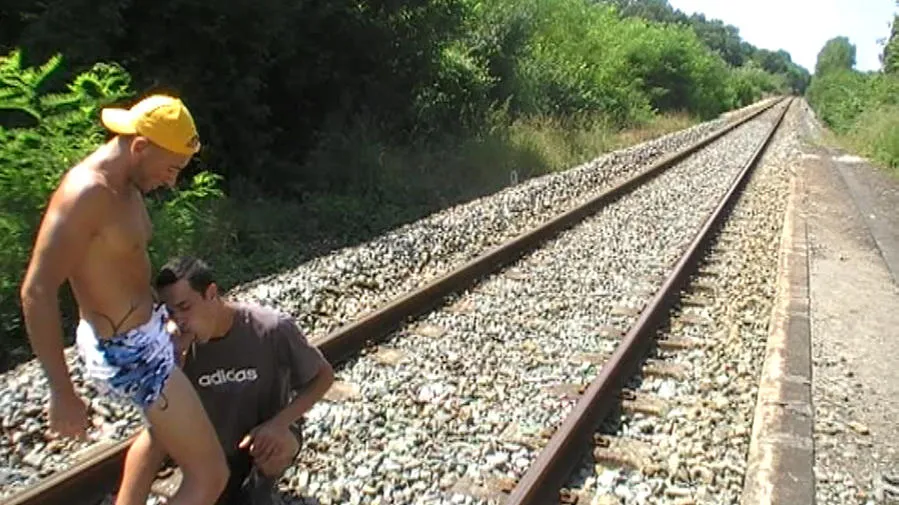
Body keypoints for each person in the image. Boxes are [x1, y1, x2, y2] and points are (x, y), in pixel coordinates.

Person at [19, 95, 230, 505]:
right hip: (129, 353)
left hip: (146, 334)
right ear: (140, 146)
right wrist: (61, 392)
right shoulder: (86, 194)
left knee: (159, 436)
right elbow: (37, 291)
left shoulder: (126, 184)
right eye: (171, 168)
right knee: (210, 476)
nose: (172, 182)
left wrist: (168, 320)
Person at [124, 256, 334, 505]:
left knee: (280, 446)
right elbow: (158, 423)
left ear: (211, 293)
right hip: (210, 451)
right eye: (170, 312)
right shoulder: (175, 344)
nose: (178, 320)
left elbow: (323, 376)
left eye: (185, 307)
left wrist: (280, 423)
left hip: (260, 440)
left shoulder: (270, 328)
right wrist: (174, 358)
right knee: (155, 436)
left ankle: (258, 490)